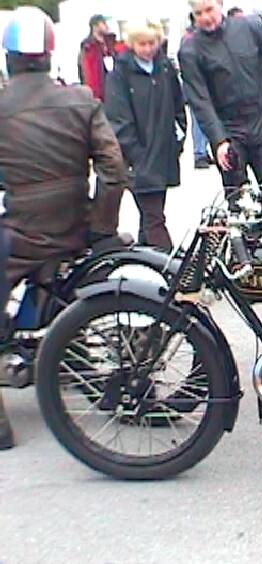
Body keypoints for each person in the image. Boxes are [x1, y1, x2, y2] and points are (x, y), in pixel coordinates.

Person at [0, 7, 126, 449]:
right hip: (73, 229)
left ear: (9, 57)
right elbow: (114, 170)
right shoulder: (82, 99)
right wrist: (99, 226)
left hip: (21, 235)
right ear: (49, 55)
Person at [179, 0, 262, 226]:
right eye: (198, 13)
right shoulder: (190, 50)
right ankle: (245, 246)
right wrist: (219, 140)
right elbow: (200, 100)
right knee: (240, 205)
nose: (206, 18)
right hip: (228, 130)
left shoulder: (249, 26)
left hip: (260, 122)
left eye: (209, 10)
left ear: (220, 4)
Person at [105, 21, 187, 251]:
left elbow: (178, 105)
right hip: (139, 159)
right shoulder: (120, 74)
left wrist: (178, 140)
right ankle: (171, 263)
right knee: (154, 219)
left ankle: (146, 259)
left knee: (150, 218)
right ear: (132, 44)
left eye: (152, 43)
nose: (148, 49)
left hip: (163, 153)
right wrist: (135, 153)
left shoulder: (165, 68)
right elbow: (118, 118)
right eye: (142, 44)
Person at [182, 13, 212, 169]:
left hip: (207, 85)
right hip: (196, 87)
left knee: (208, 120)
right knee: (199, 121)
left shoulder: (202, 38)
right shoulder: (190, 39)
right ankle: (199, 153)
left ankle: (204, 151)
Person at [78, 14, 117, 101]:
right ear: (95, 26)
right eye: (103, 23)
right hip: (98, 94)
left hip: (113, 90)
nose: (107, 26)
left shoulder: (110, 43)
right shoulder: (88, 47)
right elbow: (88, 73)